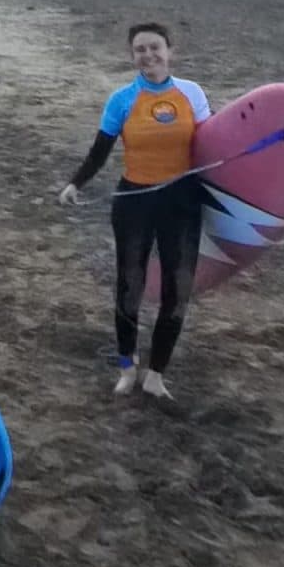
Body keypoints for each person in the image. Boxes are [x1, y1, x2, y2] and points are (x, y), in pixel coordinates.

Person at [58, 22, 210, 404]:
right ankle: (127, 367)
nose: (148, 55)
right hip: (133, 204)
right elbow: (100, 151)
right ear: (132, 55)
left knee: (178, 292)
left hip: (182, 204)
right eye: (140, 49)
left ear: (170, 50)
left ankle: (156, 374)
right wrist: (75, 184)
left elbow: (211, 149)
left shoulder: (191, 93)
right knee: (130, 287)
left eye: (155, 47)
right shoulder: (122, 100)